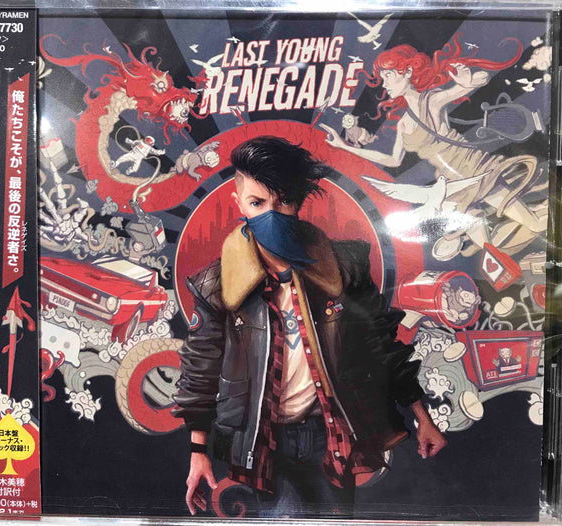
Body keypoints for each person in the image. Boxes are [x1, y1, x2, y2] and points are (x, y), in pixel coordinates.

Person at [172, 136, 447, 518]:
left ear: (299, 202)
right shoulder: (216, 285)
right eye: (257, 203)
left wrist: (422, 417)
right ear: (239, 203)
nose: (271, 214)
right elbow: (201, 369)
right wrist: (198, 452)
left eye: (283, 201)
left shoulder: (344, 267)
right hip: (264, 439)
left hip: (330, 435)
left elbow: (381, 344)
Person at [320, 33, 546, 259]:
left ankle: (544, 227)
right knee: (490, 251)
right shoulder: (404, 123)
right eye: (383, 77)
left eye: (388, 75)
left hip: (472, 168)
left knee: (534, 225)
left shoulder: (430, 100)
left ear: (407, 72)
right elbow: (393, 161)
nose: (385, 83)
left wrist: (466, 82)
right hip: (450, 183)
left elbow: (479, 80)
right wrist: (344, 146)